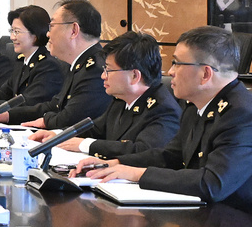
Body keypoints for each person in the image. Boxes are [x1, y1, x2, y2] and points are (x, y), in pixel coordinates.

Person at [84, 26, 252, 225]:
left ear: (205, 74)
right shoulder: (196, 105)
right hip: (211, 219)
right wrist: (118, 163)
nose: (170, 72)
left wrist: (136, 174)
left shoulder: (244, 117)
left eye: (177, 63)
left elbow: (211, 183)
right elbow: (170, 156)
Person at [30, 31, 179, 160]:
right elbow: (95, 129)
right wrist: (57, 135)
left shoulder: (164, 110)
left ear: (134, 76)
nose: (103, 76)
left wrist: (85, 145)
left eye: (109, 70)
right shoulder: (121, 100)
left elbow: (142, 151)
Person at [0, 0, 111, 129]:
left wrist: (45, 121)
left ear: (73, 30)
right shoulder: (78, 64)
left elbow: (71, 118)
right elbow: (54, 105)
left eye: (52, 26)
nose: (47, 34)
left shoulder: (95, 70)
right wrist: (8, 115)